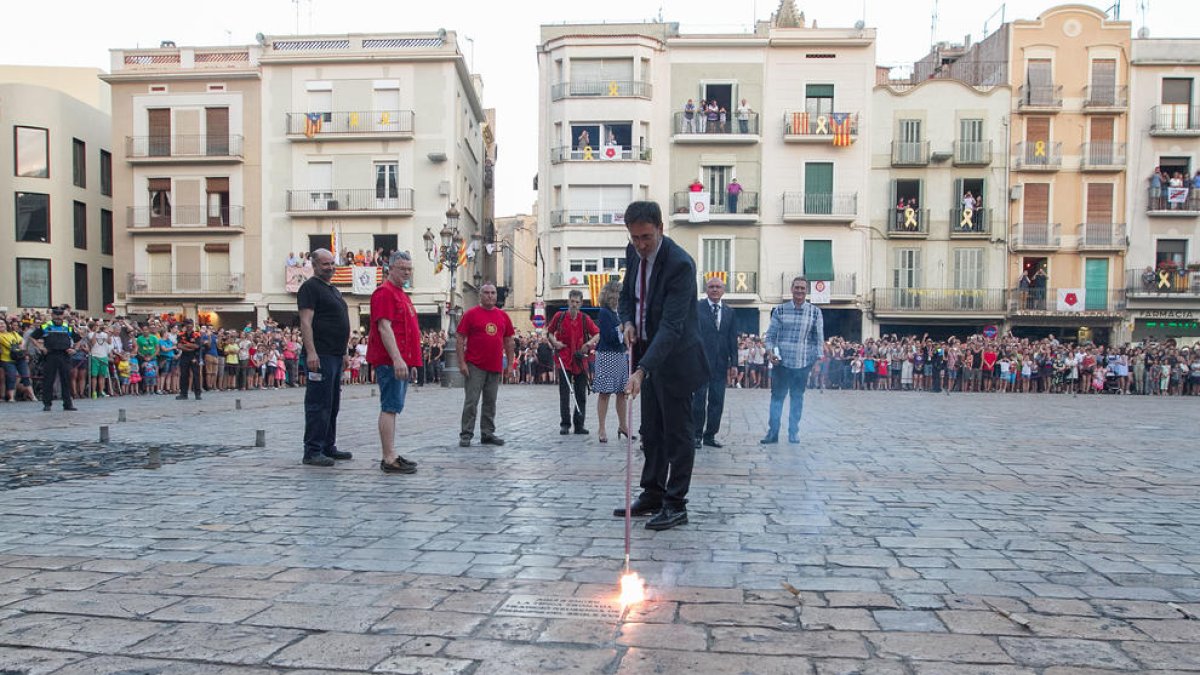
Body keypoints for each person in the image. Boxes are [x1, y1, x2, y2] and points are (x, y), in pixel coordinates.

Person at [616, 200, 709, 531]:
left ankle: (675, 503)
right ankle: (652, 493)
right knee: (651, 430)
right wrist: (626, 321)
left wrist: (642, 369)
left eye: (646, 238)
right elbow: (626, 296)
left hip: (677, 359)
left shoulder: (680, 265)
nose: (640, 245)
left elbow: (672, 326)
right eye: (634, 238)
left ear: (660, 229)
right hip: (645, 351)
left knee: (678, 434)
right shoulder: (633, 254)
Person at [366, 251, 420, 474]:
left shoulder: (401, 294)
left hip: (400, 361)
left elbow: (407, 331)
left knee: (394, 407)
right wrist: (397, 358)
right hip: (389, 361)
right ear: (390, 269)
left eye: (409, 268)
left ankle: (392, 453)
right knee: (389, 407)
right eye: (402, 268)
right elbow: (384, 327)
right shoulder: (385, 293)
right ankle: (388, 458)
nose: (406, 272)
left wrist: (412, 361)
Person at [298, 249, 353, 467]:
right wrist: (311, 351)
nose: (330, 267)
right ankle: (312, 450)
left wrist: (345, 352)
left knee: (332, 403)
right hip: (320, 355)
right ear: (314, 265)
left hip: (335, 354)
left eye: (332, 263)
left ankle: (328, 445)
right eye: (325, 264)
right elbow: (306, 322)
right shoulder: (310, 288)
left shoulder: (333, 290)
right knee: (318, 403)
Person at [762, 276, 825, 444]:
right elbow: (771, 336)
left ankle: (793, 432)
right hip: (781, 362)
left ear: (807, 291)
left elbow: (818, 339)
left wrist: (818, 361)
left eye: (802, 288)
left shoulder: (815, 312)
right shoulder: (780, 310)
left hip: (803, 362)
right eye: (796, 287)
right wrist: (770, 353)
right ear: (791, 289)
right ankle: (773, 433)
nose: (799, 291)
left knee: (797, 398)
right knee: (777, 398)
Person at [457, 283, 516, 447]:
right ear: (480, 296)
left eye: (493, 293)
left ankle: (487, 433)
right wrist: (462, 363)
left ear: (496, 296)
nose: (490, 296)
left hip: (495, 365)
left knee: (490, 402)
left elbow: (509, 341)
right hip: (475, 365)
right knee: (471, 401)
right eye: (486, 293)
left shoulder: (503, 316)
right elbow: (460, 338)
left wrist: (510, 365)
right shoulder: (471, 314)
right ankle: (466, 433)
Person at [693, 276, 738, 449]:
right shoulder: (697, 308)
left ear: (723, 290)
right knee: (698, 400)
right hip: (700, 362)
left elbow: (732, 339)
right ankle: (696, 435)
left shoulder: (729, 312)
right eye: (711, 286)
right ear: (706, 289)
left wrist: (734, 363)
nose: (714, 289)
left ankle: (710, 435)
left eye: (718, 287)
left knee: (717, 400)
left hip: (720, 364)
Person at [547, 290, 599, 435]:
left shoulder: (585, 318)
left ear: (581, 303)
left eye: (577, 302)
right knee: (564, 393)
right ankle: (565, 424)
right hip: (564, 359)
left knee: (580, 394)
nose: (574, 305)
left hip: (579, 359)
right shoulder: (559, 316)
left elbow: (597, 333)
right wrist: (555, 342)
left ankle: (579, 424)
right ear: (568, 302)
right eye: (572, 301)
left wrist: (588, 344)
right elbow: (549, 332)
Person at [591, 280, 632, 444]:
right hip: (607, 355)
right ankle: (601, 428)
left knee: (622, 392)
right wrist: (622, 328)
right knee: (605, 393)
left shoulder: (619, 313)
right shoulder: (604, 312)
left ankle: (623, 425)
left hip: (620, 355)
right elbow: (608, 336)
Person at [30, 306, 82, 411]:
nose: (58, 317)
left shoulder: (67, 326)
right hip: (50, 355)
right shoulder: (46, 326)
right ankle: (47, 404)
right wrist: (41, 347)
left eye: (60, 315)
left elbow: (78, 339)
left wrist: (74, 349)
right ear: (52, 315)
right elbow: (33, 337)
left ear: (63, 316)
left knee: (66, 380)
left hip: (64, 355)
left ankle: (68, 404)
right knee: (48, 380)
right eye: (56, 315)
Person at [175, 319, 203, 400]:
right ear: (185, 325)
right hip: (184, 356)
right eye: (187, 324)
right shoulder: (181, 334)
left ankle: (198, 394)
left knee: (196, 375)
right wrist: (189, 347)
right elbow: (179, 346)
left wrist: (186, 344)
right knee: (184, 375)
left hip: (194, 356)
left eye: (190, 324)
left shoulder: (197, 334)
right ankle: (183, 394)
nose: (189, 326)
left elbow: (197, 346)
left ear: (193, 325)